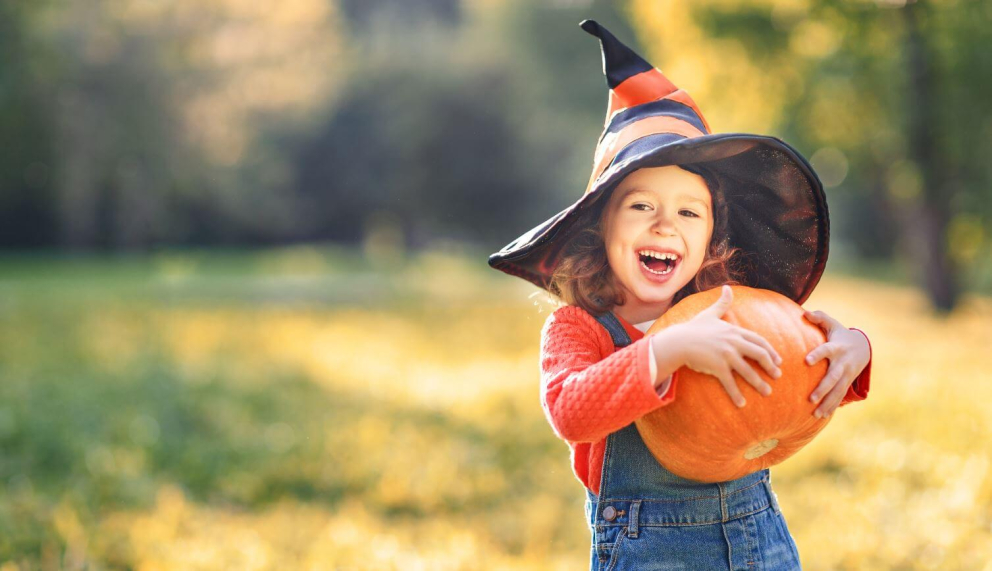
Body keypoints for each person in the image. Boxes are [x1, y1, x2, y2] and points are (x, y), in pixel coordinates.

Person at [487, 20, 873, 570]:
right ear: (601, 227)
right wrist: (667, 351)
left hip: (758, 539)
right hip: (648, 550)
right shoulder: (579, 327)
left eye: (689, 212)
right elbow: (570, 412)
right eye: (642, 205)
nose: (666, 225)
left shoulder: (727, 303)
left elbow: (794, 366)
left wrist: (853, 350)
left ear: (711, 236)